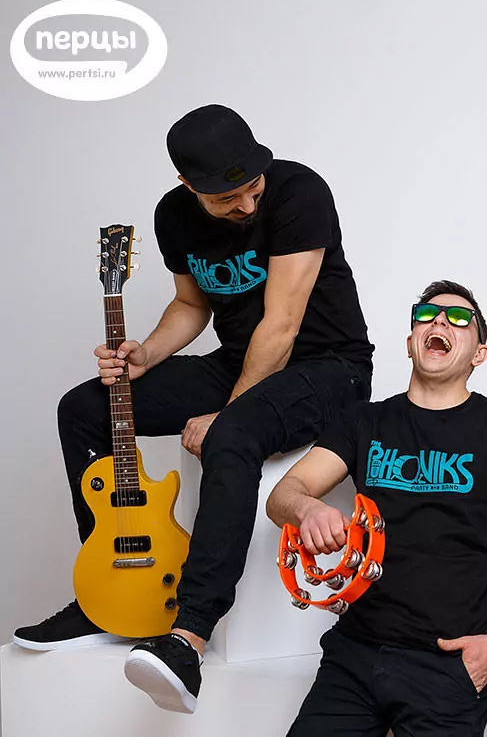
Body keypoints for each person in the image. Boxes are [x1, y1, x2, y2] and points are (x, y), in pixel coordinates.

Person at [12, 104, 375, 715]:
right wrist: (146, 355)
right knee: (83, 408)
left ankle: (189, 636)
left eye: (253, 188)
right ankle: (106, 593)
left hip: (328, 367)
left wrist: (227, 415)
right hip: (238, 360)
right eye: (228, 199)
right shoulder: (173, 215)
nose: (247, 205)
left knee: (232, 435)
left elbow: (281, 326)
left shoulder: (300, 193)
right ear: (188, 185)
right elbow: (190, 303)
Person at [267, 280, 487, 736]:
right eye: (426, 315)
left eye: (459, 319)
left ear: (479, 353)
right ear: (410, 343)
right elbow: (284, 493)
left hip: (447, 664)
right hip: (353, 654)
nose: (440, 320)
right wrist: (307, 509)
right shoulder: (363, 420)